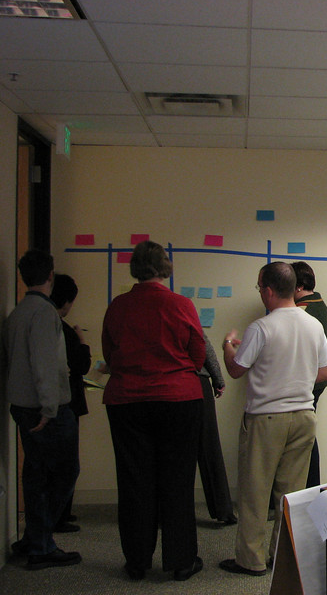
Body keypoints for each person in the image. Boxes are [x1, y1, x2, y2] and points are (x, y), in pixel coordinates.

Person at [218, 262, 327, 577]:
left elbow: (236, 369)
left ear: (268, 291)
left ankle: (251, 561)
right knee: (291, 495)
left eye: (260, 288)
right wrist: (294, 377)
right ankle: (282, 558)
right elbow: (324, 372)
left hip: (267, 419)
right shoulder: (313, 325)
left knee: (255, 493)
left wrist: (228, 345)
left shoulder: (262, 327)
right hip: (304, 417)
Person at [102, 241, 206, 582]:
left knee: (134, 481)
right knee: (178, 481)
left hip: (127, 401)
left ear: (135, 268)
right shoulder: (181, 304)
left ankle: (137, 562)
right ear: (165, 267)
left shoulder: (118, 306)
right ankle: (181, 561)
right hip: (178, 399)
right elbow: (197, 352)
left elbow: (110, 353)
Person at [2, 250, 81, 570]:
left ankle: (33, 538)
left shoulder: (17, 313)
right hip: (46, 409)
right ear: (50, 276)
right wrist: (49, 408)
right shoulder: (45, 313)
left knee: (35, 474)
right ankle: (41, 544)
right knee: (63, 472)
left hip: (21, 405)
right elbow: (44, 364)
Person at [49, 273, 92, 532]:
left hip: (56, 402)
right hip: (65, 402)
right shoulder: (63, 329)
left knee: (58, 462)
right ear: (66, 301)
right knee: (66, 463)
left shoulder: (49, 325)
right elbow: (81, 365)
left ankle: (60, 513)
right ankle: (57, 516)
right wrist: (82, 342)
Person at [291, 261, 327, 487]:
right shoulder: (318, 303)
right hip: (316, 378)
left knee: (304, 437)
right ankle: (310, 487)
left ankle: (310, 487)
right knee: (305, 435)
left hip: (310, 380)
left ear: (298, 286)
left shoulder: (304, 309)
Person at [197, 330, 237, 525]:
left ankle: (166, 514)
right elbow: (205, 347)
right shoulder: (184, 314)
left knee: (169, 455)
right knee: (209, 447)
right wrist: (218, 379)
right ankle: (223, 511)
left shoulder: (137, 317)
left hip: (159, 385)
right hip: (196, 382)